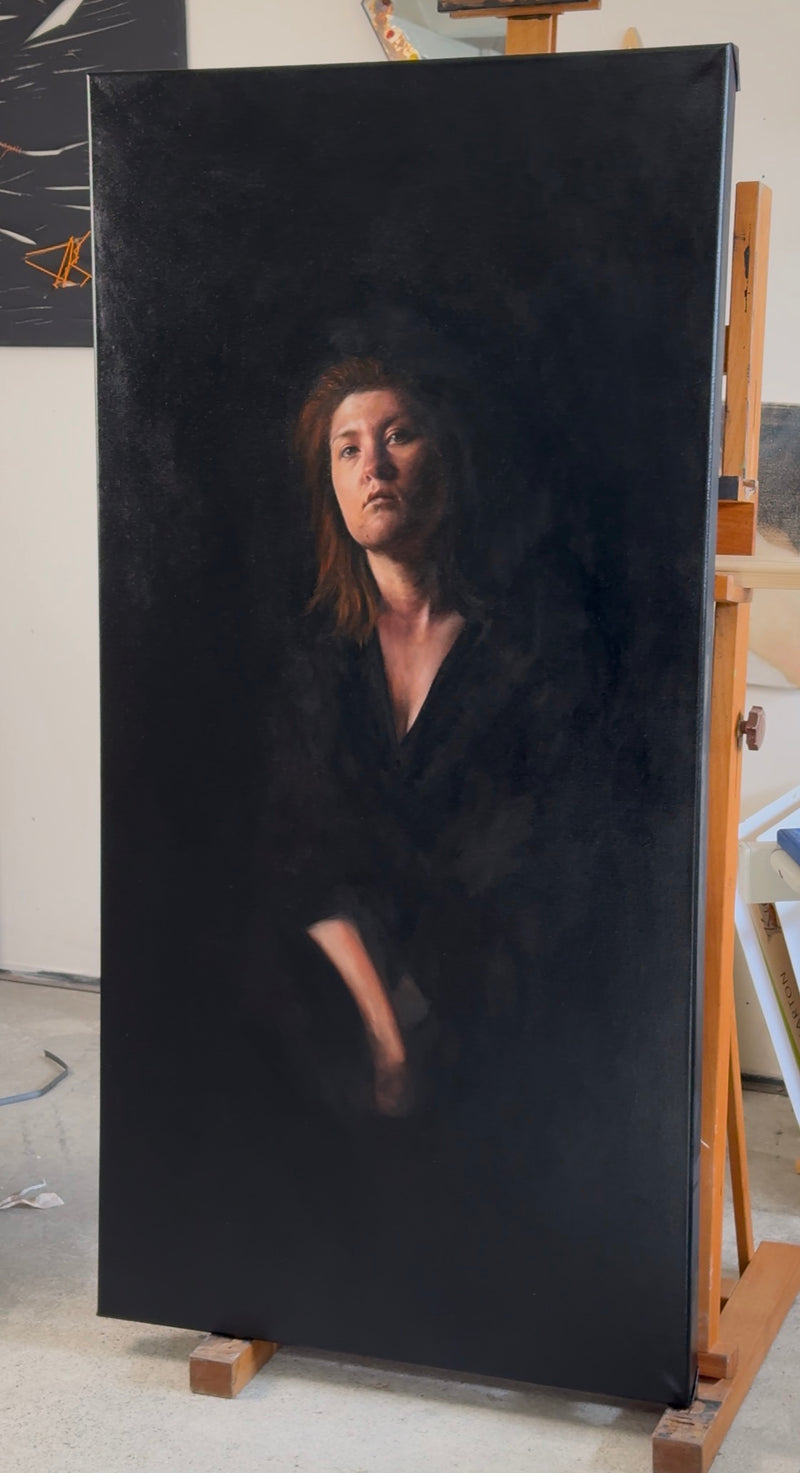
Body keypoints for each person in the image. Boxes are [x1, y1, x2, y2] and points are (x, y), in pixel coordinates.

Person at [268, 354, 552, 1119]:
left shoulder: (518, 654)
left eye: (398, 436)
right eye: (349, 448)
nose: (374, 466)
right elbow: (301, 861)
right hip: (338, 1005)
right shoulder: (315, 658)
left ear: (446, 458)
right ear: (331, 484)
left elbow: (515, 868)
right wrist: (386, 1034)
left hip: (492, 1015)